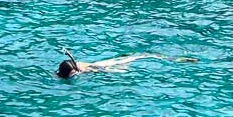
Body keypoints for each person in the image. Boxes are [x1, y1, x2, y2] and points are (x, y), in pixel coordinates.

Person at [55, 48, 195, 78]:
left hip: (102, 66)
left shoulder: (81, 69)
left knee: (141, 57)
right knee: (139, 57)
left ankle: (177, 59)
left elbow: (98, 69)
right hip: (102, 65)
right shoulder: (65, 70)